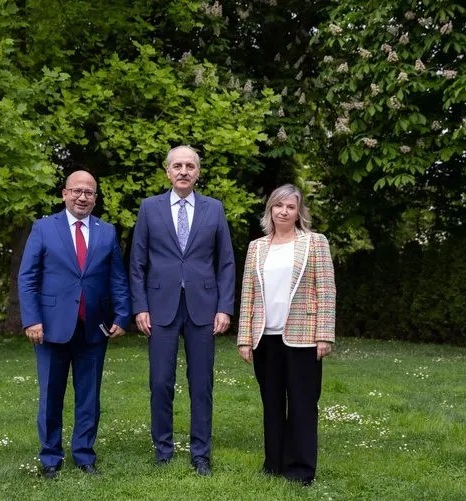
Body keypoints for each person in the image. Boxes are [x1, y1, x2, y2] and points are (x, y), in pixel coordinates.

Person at [129, 145, 235, 476]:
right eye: (177, 166)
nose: (184, 171)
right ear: (168, 172)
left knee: (201, 384)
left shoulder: (214, 209)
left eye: (190, 166)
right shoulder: (149, 208)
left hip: (204, 308)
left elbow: (226, 263)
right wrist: (140, 306)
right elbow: (137, 263)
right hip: (160, 308)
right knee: (160, 382)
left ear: (198, 172)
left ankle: (201, 453)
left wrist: (225, 307)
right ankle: (163, 449)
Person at [18, 170, 131, 479]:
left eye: (89, 192)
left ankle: (84, 455)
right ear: (64, 193)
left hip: (93, 329)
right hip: (51, 328)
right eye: (77, 191)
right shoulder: (43, 228)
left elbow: (117, 279)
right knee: (50, 396)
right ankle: (50, 458)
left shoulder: (107, 232)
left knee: (89, 398)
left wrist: (122, 316)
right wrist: (32, 319)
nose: (82, 197)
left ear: (95, 198)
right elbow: (27, 278)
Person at [236, 184, 336, 487]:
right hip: (265, 338)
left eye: (290, 207)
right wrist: (244, 338)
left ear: (298, 212)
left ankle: (301, 469)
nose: (284, 211)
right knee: (272, 403)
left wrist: (324, 335)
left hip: (303, 337)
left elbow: (326, 290)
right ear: (270, 209)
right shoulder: (257, 247)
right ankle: (274, 464)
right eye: (278, 206)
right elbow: (248, 294)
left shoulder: (315, 243)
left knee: (303, 404)